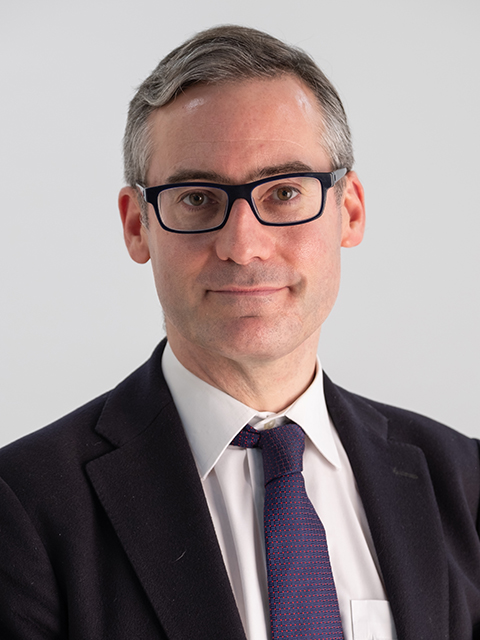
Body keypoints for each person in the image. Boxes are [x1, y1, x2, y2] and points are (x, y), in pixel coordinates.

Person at [0, 25, 479, 640]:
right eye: (198, 198)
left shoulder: (463, 483)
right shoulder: (25, 507)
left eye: (284, 192)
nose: (243, 245)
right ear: (137, 226)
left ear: (350, 211)